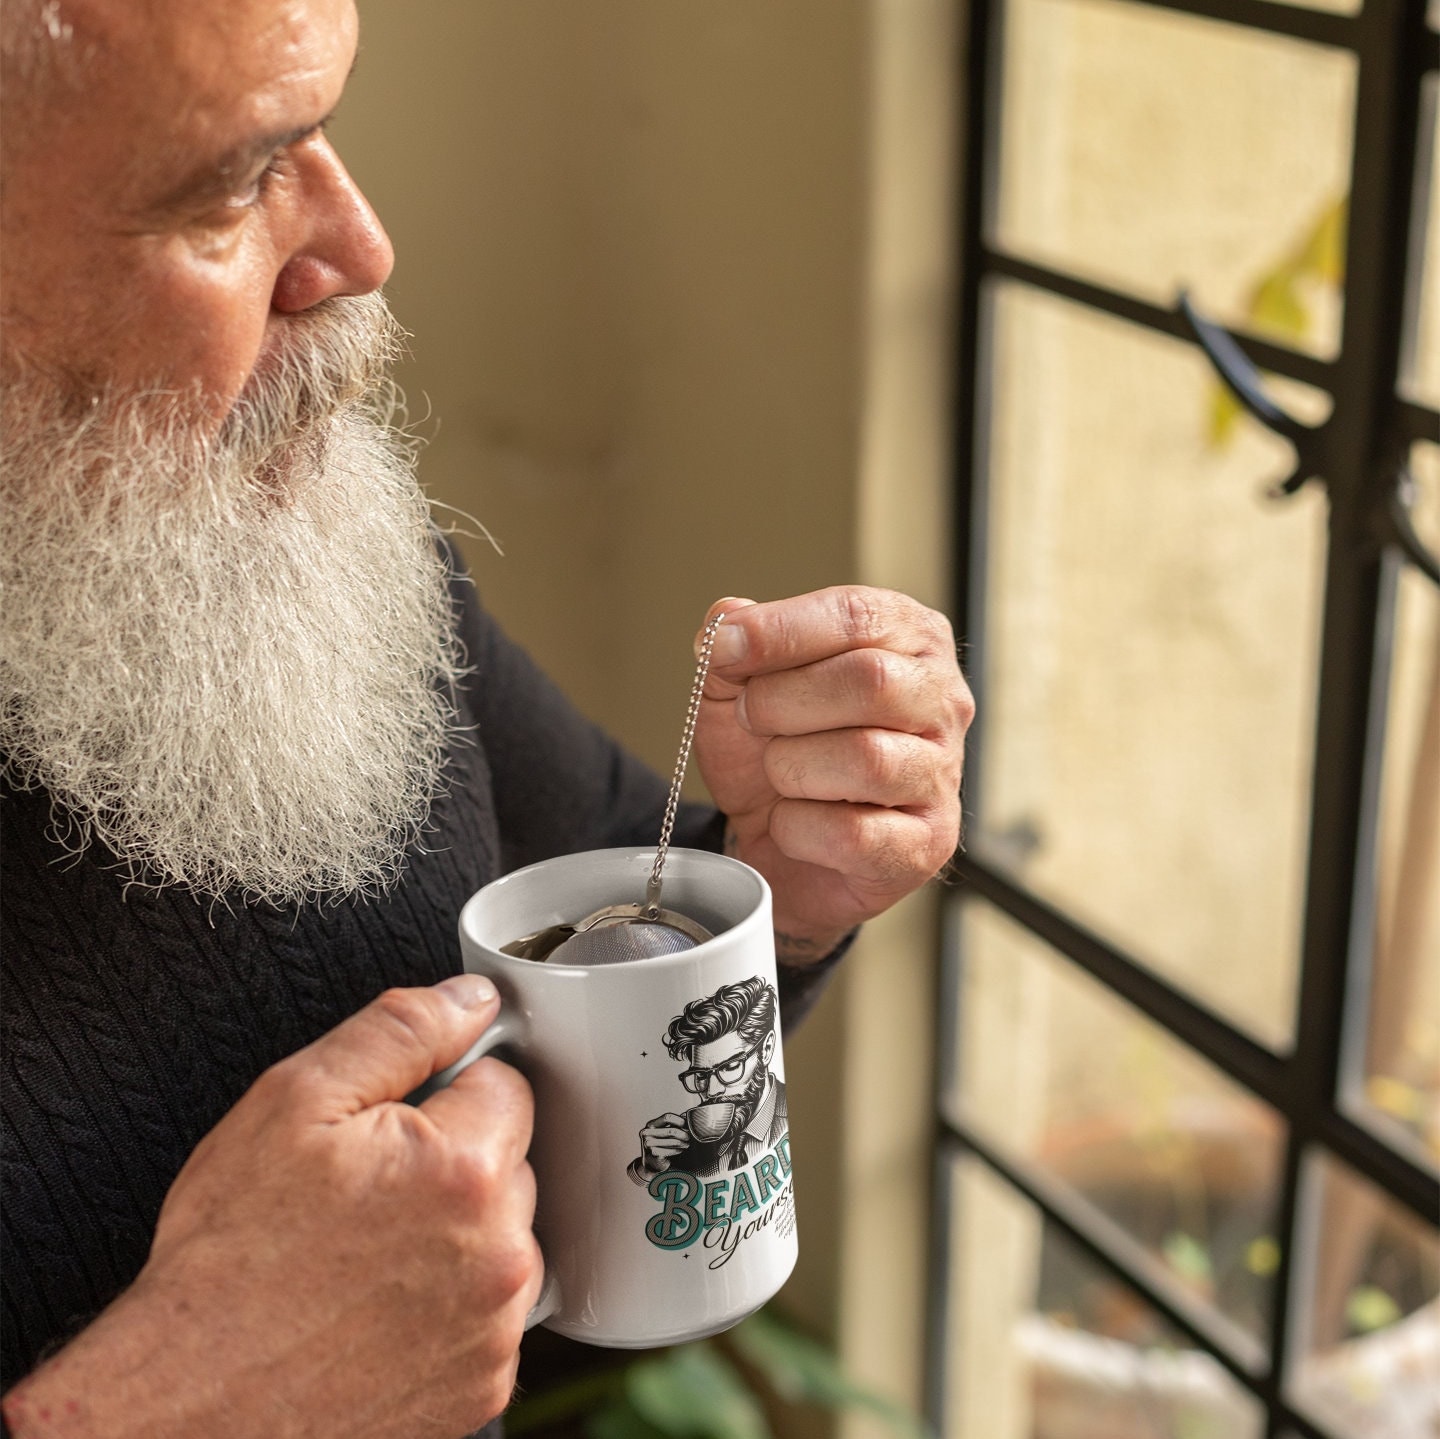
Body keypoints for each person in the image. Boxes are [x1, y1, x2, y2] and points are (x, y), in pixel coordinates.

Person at [0, 0, 974, 1434]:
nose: (359, 248)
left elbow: (568, 1269)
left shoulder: (253, 531)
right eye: (228, 186)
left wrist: (780, 887)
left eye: (323, 129)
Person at [631, 978, 787, 1183]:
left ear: (766, 1049)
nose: (712, 1091)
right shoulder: (684, 1141)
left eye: (730, 1067)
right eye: (702, 1075)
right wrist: (649, 1170)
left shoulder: (795, 1112)